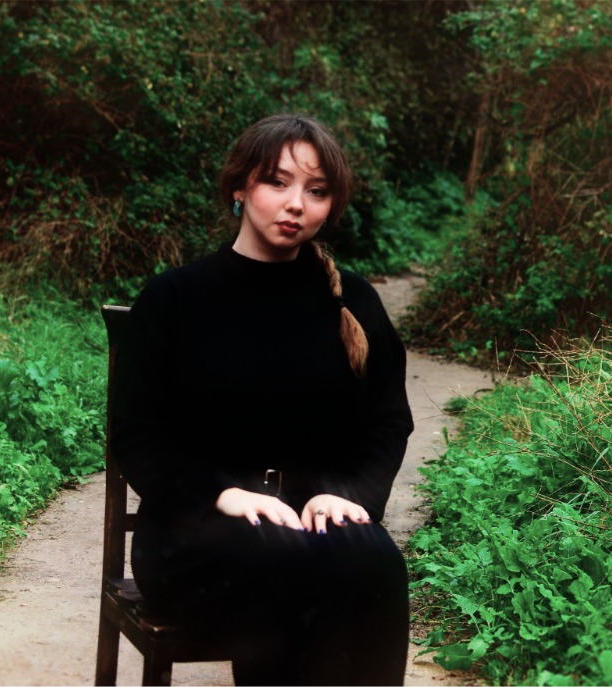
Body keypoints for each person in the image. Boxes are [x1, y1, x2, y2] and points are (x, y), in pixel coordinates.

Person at [113, 113, 414, 685]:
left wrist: (347, 494)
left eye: (316, 191)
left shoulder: (353, 301)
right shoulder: (175, 299)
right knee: (287, 567)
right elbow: (137, 434)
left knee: (374, 560)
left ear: (331, 205)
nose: (296, 203)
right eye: (277, 182)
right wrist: (221, 494)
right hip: (193, 534)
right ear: (239, 188)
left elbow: (387, 421)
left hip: (312, 522)